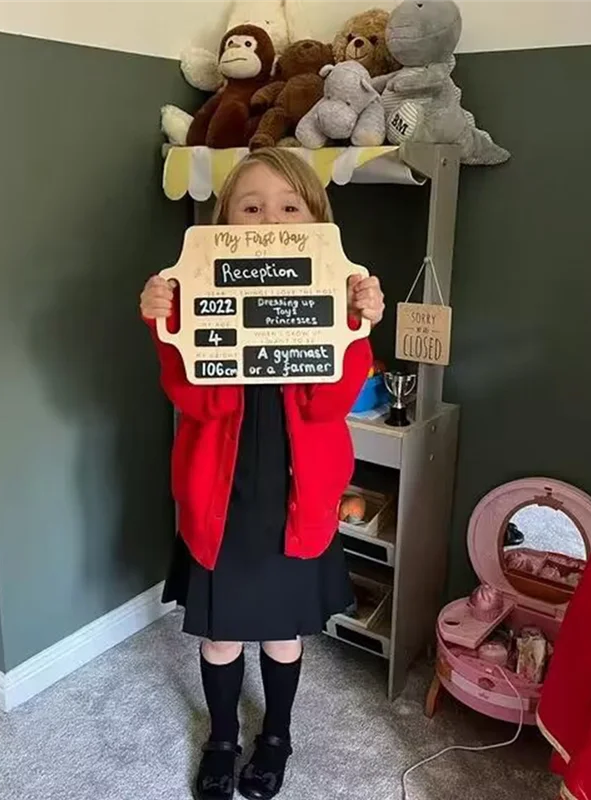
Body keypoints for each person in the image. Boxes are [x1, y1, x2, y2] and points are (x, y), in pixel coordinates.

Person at [139, 147, 385, 800]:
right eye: (250, 207)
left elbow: (331, 402)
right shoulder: (202, 294)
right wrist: (167, 325)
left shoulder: (333, 296)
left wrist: (357, 328)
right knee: (221, 637)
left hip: (297, 500)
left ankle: (277, 735)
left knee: (282, 633)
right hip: (220, 500)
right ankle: (223, 736)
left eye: (287, 206)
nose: (267, 218)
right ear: (224, 223)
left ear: (313, 222)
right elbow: (195, 398)